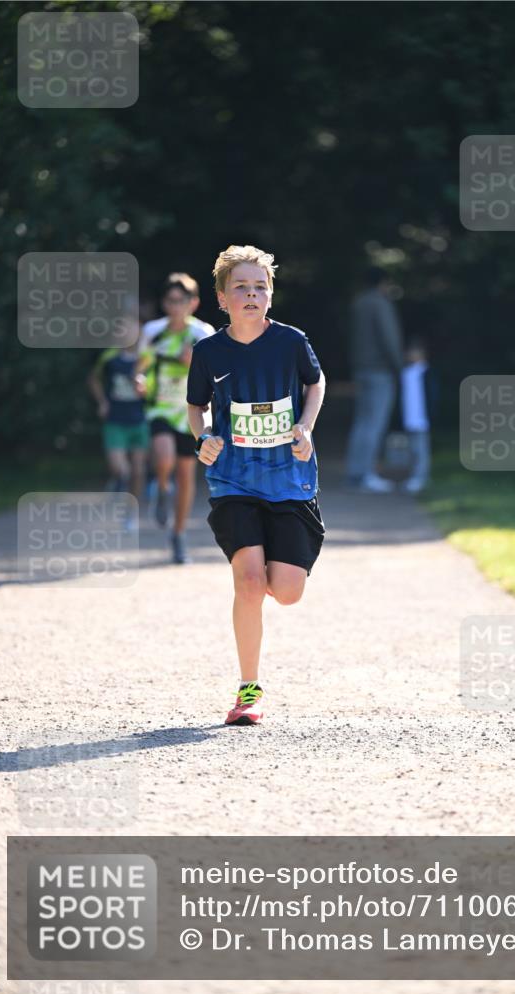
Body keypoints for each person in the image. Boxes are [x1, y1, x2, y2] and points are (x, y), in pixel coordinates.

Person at [187, 245, 326, 726]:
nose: (252, 294)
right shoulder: (207, 351)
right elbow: (196, 408)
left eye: (260, 286)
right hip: (233, 480)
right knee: (248, 582)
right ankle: (248, 691)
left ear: (270, 295)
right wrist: (203, 436)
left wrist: (306, 427)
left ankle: (272, 564)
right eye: (241, 287)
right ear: (222, 298)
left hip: (288, 479)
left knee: (285, 591)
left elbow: (316, 382)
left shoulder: (290, 341)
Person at [138, 273, 215, 564]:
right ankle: (160, 487)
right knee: (164, 455)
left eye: (181, 301)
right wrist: (140, 379)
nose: (175, 307)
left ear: (193, 303)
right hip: (159, 407)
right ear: (164, 303)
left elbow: (215, 375)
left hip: (190, 411)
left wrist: (193, 363)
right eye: (170, 301)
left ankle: (179, 534)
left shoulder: (203, 334)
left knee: (186, 475)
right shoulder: (153, 331)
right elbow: (141, 364)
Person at [345, 265, 404, 493]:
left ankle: (355, 472)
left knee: (361, 422)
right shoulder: (380, 304)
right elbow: (389, 339)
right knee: (375, 423)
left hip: (361, 369)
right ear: (384, 282)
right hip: (380, 371)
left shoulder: (358, 303)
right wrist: (398, 367)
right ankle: (366, 474)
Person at [88, 328, 149, 528]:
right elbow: (93, 378)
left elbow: (157, 383)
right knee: (120, 469)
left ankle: (131, 513)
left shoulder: (146, 357)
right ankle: (117, 485)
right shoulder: (110, 356)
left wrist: (147, 389)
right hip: (115, 420)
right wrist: (102, 402)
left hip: (140, 420)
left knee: (138, 471)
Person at [400, 338, 437, 494]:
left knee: (421, 449)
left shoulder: (426, 372)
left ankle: (421, 477)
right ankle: (414, 476)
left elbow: (432, 396)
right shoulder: (406, 373)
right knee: (412, 449)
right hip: (409, 417)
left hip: (422, 418)